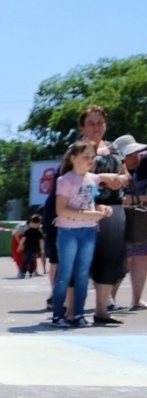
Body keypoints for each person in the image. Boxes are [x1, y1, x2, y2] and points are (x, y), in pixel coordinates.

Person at [51, 141, 116, 328]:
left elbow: (90, 202)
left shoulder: (93, 179)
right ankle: (58, 315)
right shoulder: (65, 180)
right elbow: (61, 210)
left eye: (92, 157)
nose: (90, 160)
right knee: (65, 273)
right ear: (73, 158)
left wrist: (102, 209)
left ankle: (78, 314)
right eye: (85, 156)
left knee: (82, 273)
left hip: (89, 230)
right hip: (68, 231)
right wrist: (89, 215)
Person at [79, 106, 131, 323]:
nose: (96, 127)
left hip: (115, 208)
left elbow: (126, 173)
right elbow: (73, 176)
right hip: (87, 208)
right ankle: (73, 310)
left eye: (100, 122)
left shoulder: (114, 148)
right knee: (83, 260)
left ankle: (101, 310)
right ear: (82, 127)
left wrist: (121, 179)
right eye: (91, 123)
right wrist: (103, 178)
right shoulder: (77, 148)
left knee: (111, 259)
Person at [112, 134, 147, 310]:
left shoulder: (145, 162)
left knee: (142, 257)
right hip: (119, 219)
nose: (135, 158)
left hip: (142, 220)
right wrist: (143, 198)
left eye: (136, 153)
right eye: (129, 155)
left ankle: (137, 300)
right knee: (121, 259)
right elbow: (115, 199)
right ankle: (109, 299)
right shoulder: (112, 169)